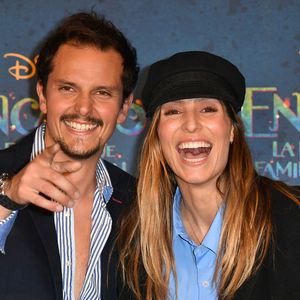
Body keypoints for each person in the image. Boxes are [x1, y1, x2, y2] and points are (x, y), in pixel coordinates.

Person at [116, 51, 300, 299]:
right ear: (157, 136)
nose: (191, 124)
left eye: (207, 109)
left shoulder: (291, 222)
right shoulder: (131, 240)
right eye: (173, 111)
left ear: (232, 130)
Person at [0, 12, 139, 300]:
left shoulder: (138, 201)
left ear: (124, 107)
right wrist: (7, 197)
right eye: (68, 89)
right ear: (42, 94)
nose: (84, 108)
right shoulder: (4, 178)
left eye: (102, 92)